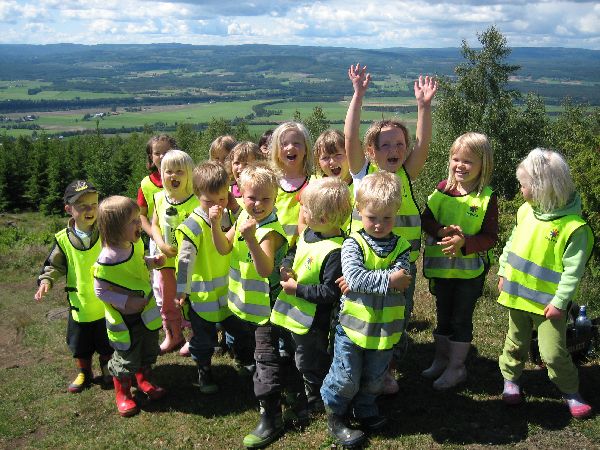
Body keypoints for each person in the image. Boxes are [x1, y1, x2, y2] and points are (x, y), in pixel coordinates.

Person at [344, 63, 437, 393]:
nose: (394, 150)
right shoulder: (361, 173)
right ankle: (354, 364)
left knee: (397, 316)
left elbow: (423, 143)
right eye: (385, 145)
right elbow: (350, 137)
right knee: (361, 313)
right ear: (371, 151)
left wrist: (423, 107)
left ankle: (387, 369)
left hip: (401, 265)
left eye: (399, 144)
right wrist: (358, 95)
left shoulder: (406, 176)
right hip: (363, 264)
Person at [497, 148, 594, 419]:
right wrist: (503, 272)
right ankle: (510, 380)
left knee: (552, 353)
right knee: (515, 342)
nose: (520, 190)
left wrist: (560, 303)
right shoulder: (526, 211)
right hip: (517, 296)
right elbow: (511, 244)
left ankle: (571, 391)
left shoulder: (574, 228)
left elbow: (572, 273)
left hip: (549, 306)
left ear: (542, 188)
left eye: (523, 185)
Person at [210, 163, 301, 449]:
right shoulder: (243, 218)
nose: (258, 204)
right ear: (241, 194)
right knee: (268, 353)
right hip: (245, 305)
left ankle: (271, 416)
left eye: (266, 199)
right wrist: (215, 225)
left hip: (266, 310)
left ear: (275, 198)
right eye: (252, 197)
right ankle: (293, 391)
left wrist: (250, 238)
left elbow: (264, 269)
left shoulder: (269, 230)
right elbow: (223, 248)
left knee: (265, 358)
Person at [320, 171, 412, 447]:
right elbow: (356, 277)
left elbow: (401, 280)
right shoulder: (353, 243)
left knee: (375, 377)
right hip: (352, 328)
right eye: (372, 217)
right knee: (346, 377)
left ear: (396, 212)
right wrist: (389, 280)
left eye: (387, 218)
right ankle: (335, 414)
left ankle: (365, 408)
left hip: (385, 330)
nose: (379, 224)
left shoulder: (402, 246)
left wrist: (366, 282)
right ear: (359, 210)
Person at [421, 132, 497, 390]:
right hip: (442, 270)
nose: (460, 166)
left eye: (468, 161)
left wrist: (465, 243)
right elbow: (426, 220)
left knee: (461, 320)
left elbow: (490, 237)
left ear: (483, 164)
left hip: (469, 273)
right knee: (443, 316)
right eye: (456, 159)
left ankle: (456, 368)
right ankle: (441, 360)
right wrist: (440, 230)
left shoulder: (486, 197)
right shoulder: (442, 189)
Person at [271, 177, 352, 416]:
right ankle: (306, 386)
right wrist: (286, 266)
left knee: (309, 361)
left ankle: (315, 397)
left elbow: (330, 292)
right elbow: (294, 252)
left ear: (323, 218)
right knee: (298, 352)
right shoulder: (310, 232)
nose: (301, 211)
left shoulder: (336, 251)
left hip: (314, 322)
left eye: (305, 208)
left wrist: (297, 289)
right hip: (295, 313)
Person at [175, 161, 255, 393]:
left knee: (241, 331)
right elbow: (185, 260)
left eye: (221, 199)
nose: (216, 206)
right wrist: (182, 289)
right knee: (204, 339)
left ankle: (244, 360)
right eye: (209, 201)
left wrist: (232, 206)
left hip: (229, 292)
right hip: (204, 298)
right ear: (197, 194)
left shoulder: (227, 216)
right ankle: (204, 370)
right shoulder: (192, 226)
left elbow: (244, 219)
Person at [35, 180, 113, 393]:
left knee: (107, 339)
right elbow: (53, 265)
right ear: (69, 209)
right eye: (83, 206)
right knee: (80, 344)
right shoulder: (63, 240)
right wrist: (46, 281)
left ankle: (108, 368)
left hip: (106, 302)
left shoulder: (105, 232)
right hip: (80, 303)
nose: (90, 210)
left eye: (94, 204)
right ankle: (84, 373)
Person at [93, 196, 166, 417]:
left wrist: (152, 262)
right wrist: (127, 302)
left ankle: (143, 381)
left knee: (147, 349)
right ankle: (123, 393)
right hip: (125, 321)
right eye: (133, 221)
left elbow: (139, 263)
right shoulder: (107, 259)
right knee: (126, 357)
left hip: (145, 315)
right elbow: (100, 291)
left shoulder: (134, 245)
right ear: (115, 228)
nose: (139, 224)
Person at [151, 150, 199, 355]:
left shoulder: (196, 201)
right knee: (168, 299)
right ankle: (172, 335)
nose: (174, 176)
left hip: (190, 263)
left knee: (190, 300)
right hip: (166, 262)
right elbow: (154, 225)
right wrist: (161, 244)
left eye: (180, 172)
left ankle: (194, 336)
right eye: (169, 171)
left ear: (189, 174)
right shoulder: (159, 198)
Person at [270, 122, 312, 246]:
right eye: (284, 144)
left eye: (296, 143)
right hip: (273, 251)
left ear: (306, 149)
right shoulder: (269, 182)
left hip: (303, 251)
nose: (290, 148)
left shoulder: (315, 182)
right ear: (276, 150)